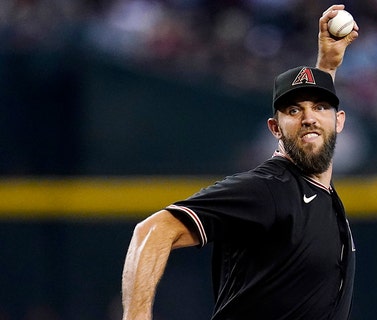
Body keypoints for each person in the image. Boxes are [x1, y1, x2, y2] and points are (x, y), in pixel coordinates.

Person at [121, 4, 359, 320]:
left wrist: (326, 67)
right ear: (275, 128)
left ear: (339, 121)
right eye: (292, 111)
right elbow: (151, 231)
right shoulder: (269, 188)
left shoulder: (318, 193)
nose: (308, 118)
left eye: (320, 107)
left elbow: (314, 126)